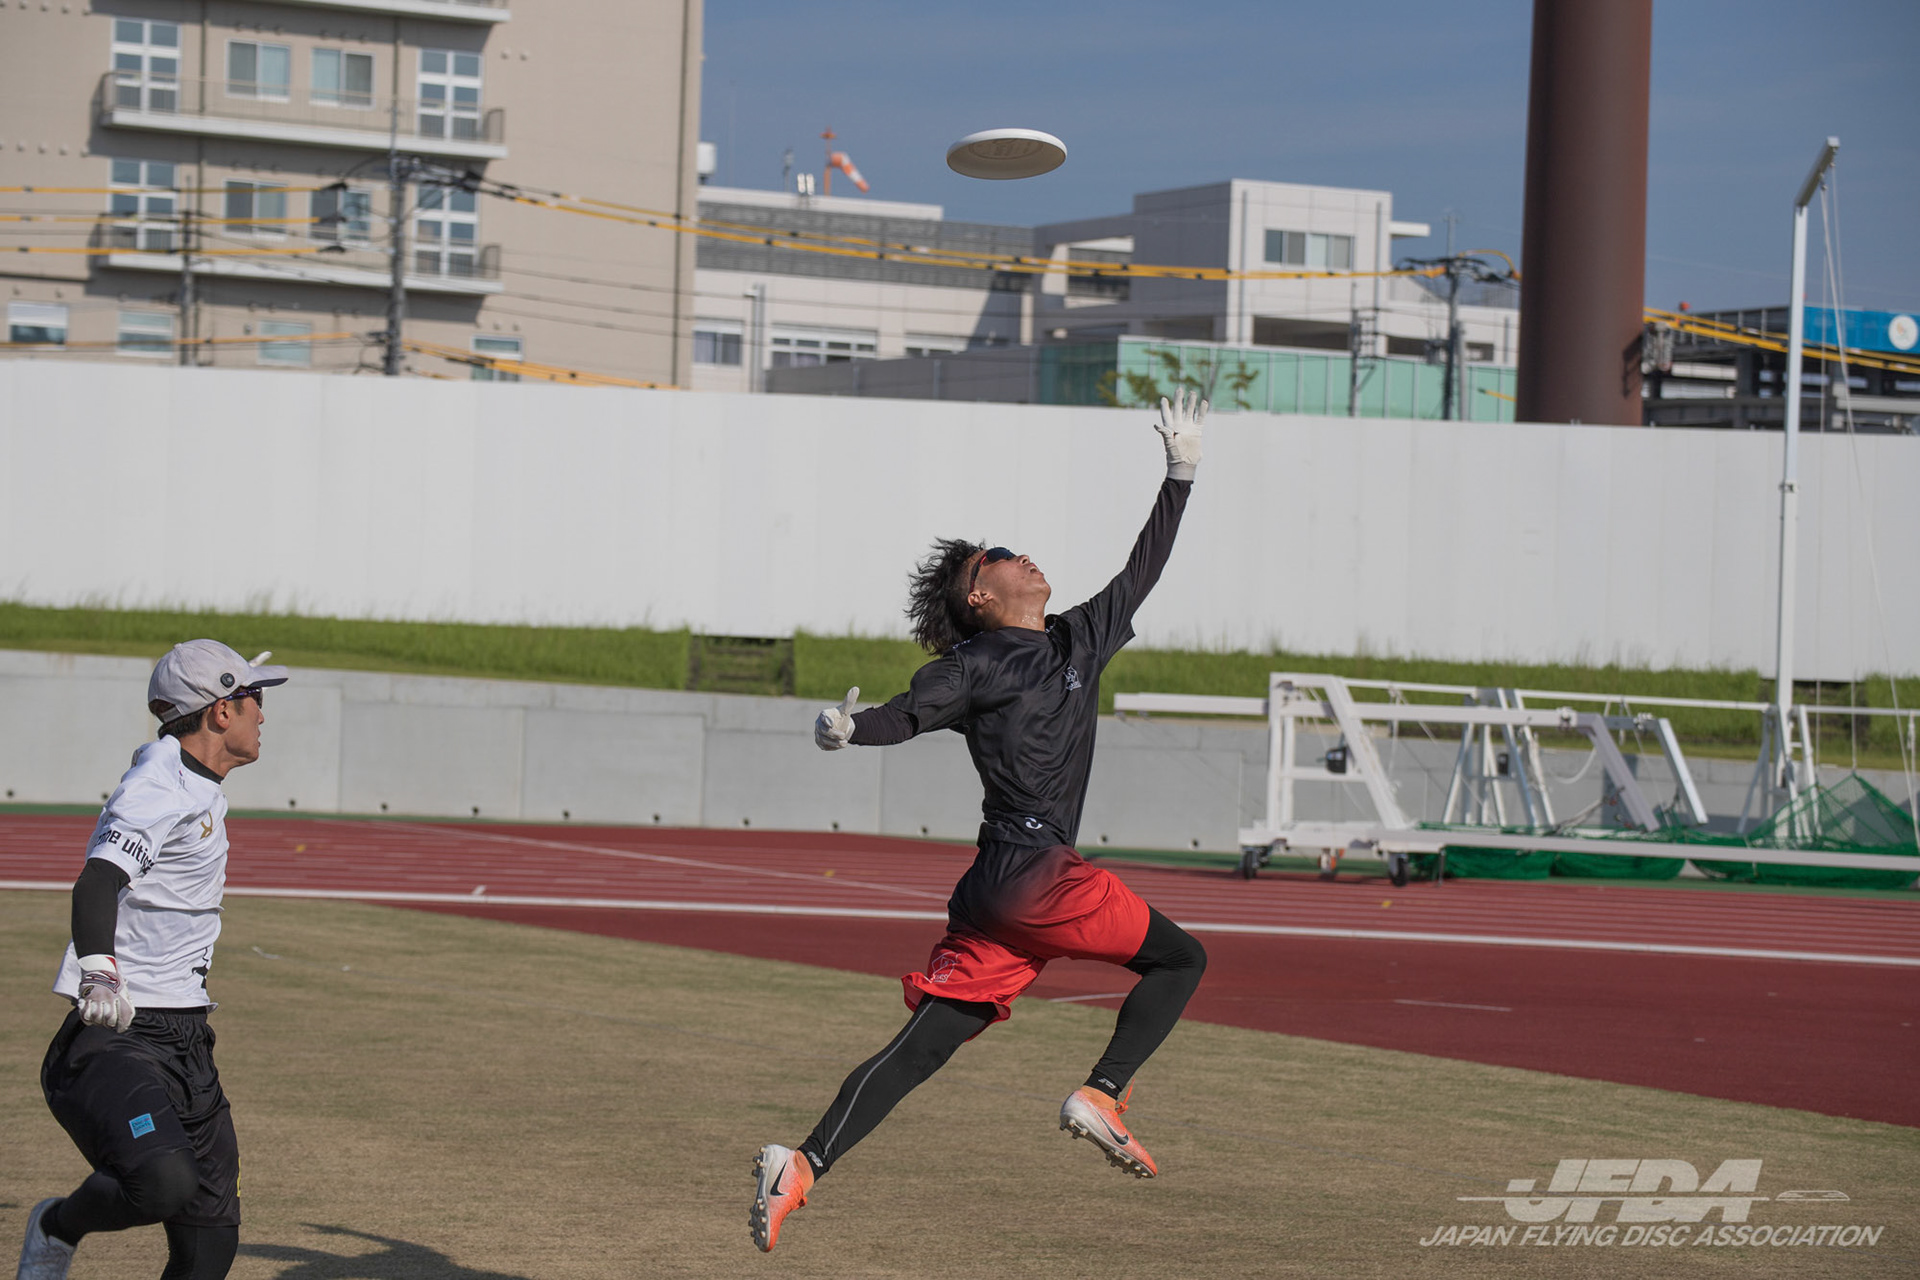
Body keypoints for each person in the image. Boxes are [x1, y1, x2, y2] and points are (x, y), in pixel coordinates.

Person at [749, 390, 1212, 1253]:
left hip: (997, 893)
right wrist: (849, 730)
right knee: (1182, 959)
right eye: (998, 556)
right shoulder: (971, 663)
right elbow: (905, 713)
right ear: (979, 596)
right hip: (1040, 878)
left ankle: (802, 1165)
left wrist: (1179, 473)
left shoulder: (1079, 637)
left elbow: (1142, 569)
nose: (1020, 555)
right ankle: (1103, 1093)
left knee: (925, 1047)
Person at [17, 640, 288, 1280]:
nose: (262, 713)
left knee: (211, 1247)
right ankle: (56, 1226)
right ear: (221, 710)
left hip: (188, 1036)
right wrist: (99, 971)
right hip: (118, 1039)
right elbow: (98, 879)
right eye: (254, 698)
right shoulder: (157, 785)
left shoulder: (195, 780)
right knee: (163, 1182)